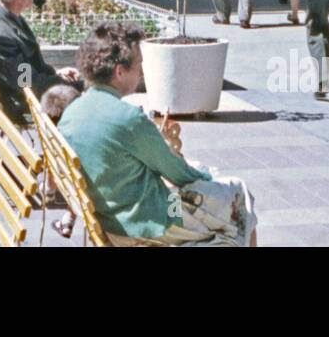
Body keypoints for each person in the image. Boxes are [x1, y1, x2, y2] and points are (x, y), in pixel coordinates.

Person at [58, 21, 257, 246]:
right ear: (119, 72)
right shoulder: (128, 118)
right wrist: (207, 178)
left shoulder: (72, 113)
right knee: (239, 193)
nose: (141, 72)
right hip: (149, 223)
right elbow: (177, 172)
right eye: (138, 65)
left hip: (111, 220)